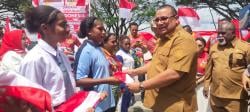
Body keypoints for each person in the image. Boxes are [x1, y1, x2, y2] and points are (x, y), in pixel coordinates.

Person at [126, 4, 198, 112]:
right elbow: (155, 63)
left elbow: (174, 73)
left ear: (176, 19)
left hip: (175, 105)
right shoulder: (162, 39)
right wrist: (134, 71)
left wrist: (141, 86)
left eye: (164, 18)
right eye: (157, 20)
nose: (159, 23)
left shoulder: (183, 40)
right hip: (160, 102)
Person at [19, 5, 76, 108]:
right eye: (62, 25)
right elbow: (31, 102)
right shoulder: (34, 59)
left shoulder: (62, 55)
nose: (68, 30)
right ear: (45, 28)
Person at [75, 16, 121, 112]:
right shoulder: (85, 50)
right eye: (100, 29)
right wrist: (107, 80)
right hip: (95, 106)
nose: (104, 32)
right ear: (89, 31)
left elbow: (99, 72)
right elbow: (79, 80)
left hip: (108, 102)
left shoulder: (99, 49)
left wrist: (113, 74)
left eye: (104, 29)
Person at [203, 20, 250, 112]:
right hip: (216, 96)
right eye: (218, 33)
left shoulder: (246, 48)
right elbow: (209, 69)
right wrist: (206, 85)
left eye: (223, 33)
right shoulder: (214, 48)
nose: (219, 36)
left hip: (236, 97)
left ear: (233, 33)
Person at [101, 33, 122, 109]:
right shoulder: (102, 55)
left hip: (116, 87)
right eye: (113, 42)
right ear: (104, 42)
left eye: (116, 41)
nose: (115, 44)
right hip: (107, 89)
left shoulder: (113, 54)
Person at [116, 35, 135, 112]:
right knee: (122, 104)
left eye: (129, 44)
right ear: (120, 44)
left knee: (127, 103)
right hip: (124, 83)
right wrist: (122, 85)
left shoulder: (128, 53)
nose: (128, 45)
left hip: (130, 81)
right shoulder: (119, 55)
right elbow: (118, 71)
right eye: (126, 44)